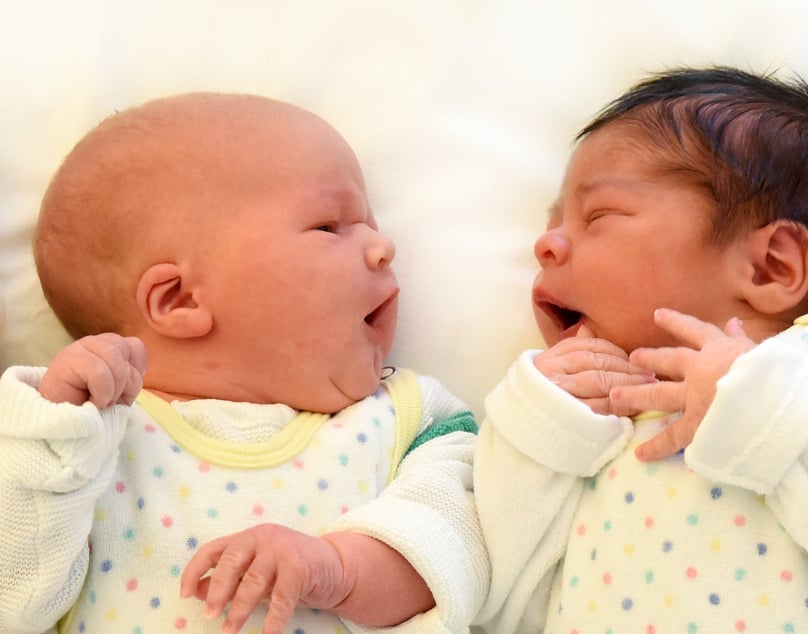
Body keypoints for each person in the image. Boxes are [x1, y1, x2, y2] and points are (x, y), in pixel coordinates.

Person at [471, 67, 808, 633]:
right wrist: (536, 432)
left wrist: (762, 402)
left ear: (770, 267)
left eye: (598, 216)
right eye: (553, 224)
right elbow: (490, 598)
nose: (545, 245)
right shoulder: (589, 421)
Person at [0, 92, 488, 634]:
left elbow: (460, 557)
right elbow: (14, 600)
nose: (382, 245)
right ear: (180, 300)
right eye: (330, 226)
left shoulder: (409, 421)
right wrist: (53, 438)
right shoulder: (84, 437)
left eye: (369, 222)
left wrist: (338, 570)